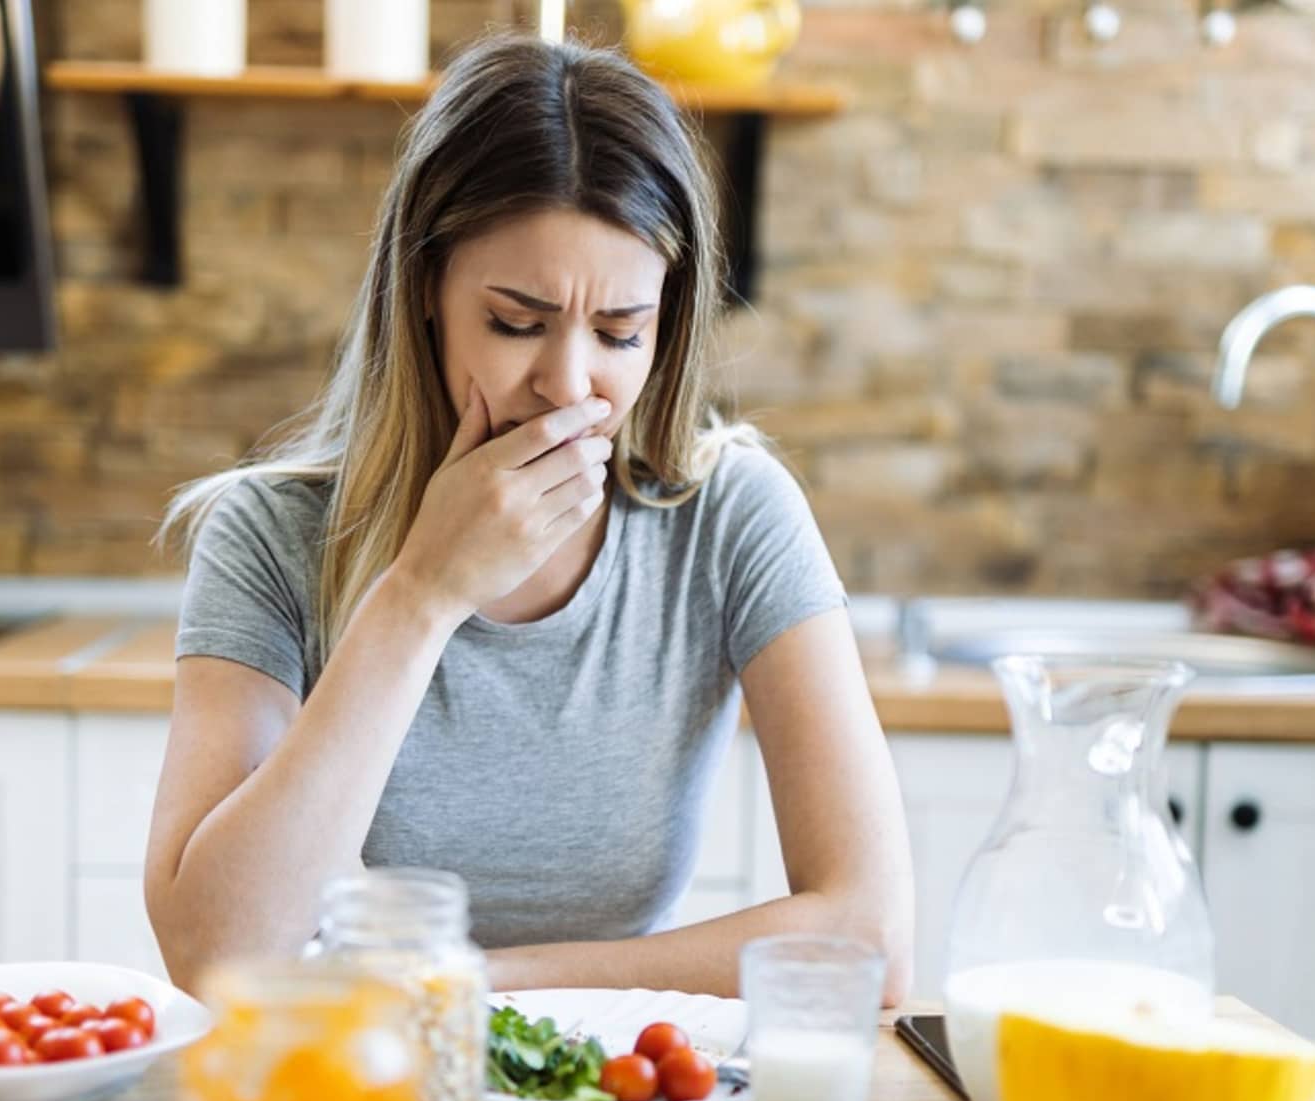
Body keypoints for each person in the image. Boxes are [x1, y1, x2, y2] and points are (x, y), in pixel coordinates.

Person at [144, 33, 912, 1001]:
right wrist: (420, 593)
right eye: (516, 323)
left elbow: (872, 935)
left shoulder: (731, 520)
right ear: (426, 290)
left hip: (622, 1097)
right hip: (361, 1098)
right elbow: (213, 954)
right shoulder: (266, 536)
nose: (567, 383)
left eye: (619, 332)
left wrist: (470, 984)